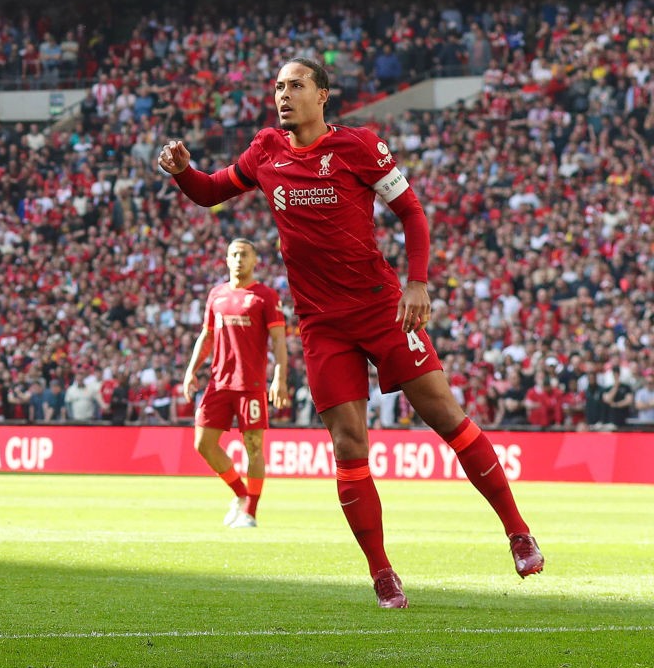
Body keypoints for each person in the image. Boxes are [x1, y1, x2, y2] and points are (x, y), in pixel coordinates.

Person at [160, 57, 542, 609]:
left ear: (323, 95)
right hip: (322, 325)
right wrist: (180, 170)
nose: (283, 95)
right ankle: (382, 573)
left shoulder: (360, 147)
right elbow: (209, 190)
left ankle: (517, 529)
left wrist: (417, 284)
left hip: (383, 307)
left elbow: (411, 212)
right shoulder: (266, 149)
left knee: (443, 415)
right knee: (349, 444)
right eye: (277, 87)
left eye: (295, 86)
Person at [179, 238, 290, 529]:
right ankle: (241, 495)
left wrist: (280, 375)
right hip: (219, 381)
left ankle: (250, 513)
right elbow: (207, 336)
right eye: (234, 254)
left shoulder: (265, 296)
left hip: (250, 383)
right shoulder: (216, 295)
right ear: (227, 260)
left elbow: (279, 340)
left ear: (255, 261)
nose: (239, 259)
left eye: (245, 254)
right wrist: (192, 369)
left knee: (254, 447)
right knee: (203, 443)